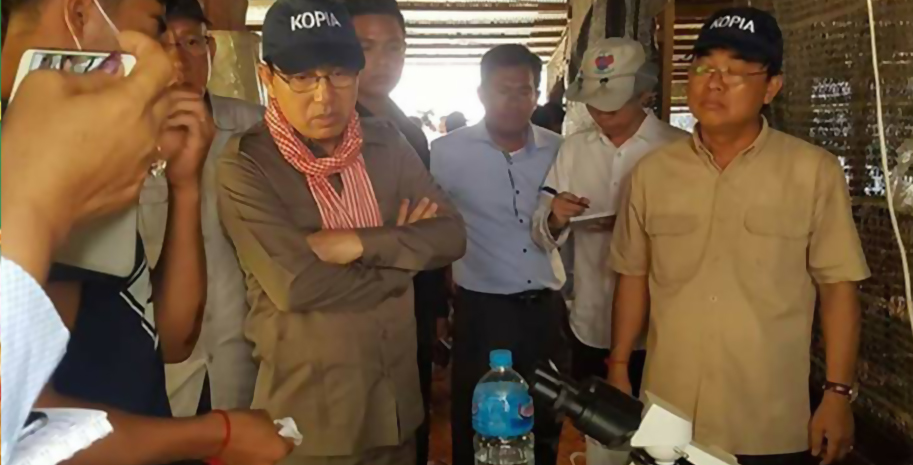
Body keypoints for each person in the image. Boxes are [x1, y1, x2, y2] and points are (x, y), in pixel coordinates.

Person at [1, 0, 292, 463]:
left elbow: (171, 339)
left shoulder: (88, 146)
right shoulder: (35, 155)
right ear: (81, 15)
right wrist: (217, 434)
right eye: (157, 30)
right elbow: (25, 427)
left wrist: (185, 184)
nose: (171, 61)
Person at [608, 8, 869, 465]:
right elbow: (633, 275)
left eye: (735, 71)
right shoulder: (652, 174)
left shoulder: (813, 172)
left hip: (767, 421)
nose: (714, 83)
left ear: (771, 87)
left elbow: (838, 289)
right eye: (704, 67)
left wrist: (837, 393)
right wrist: (617, 367)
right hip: (666, 415)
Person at [217, 0, 466, 463]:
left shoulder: (386, 142)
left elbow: (451, 235)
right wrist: (403, 262)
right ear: (267, 77)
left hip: (396, 406)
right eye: (302, 77)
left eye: (339, 75)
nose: (323, 97)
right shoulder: (247, 164)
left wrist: (358, 243)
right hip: (312, 420)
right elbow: (297, 285)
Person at [430, 44, 568, 465]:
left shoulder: (560, 149)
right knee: (477, 417)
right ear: (481, 93)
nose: (513, 100)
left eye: (524, 90)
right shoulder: (446, 153)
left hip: (546, 310)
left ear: (537, 94)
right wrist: (439, 305)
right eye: (501, 90)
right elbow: (431, 230)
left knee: (545, 414)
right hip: (482, 311)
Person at [532, 38, 688, 386]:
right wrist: (556, 216)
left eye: (613, 103)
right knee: (595, 415)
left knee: (656, 417)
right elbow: (541, 229)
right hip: (591, 317)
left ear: (644, 94)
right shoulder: (574, 150)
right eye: (594, 103)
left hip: (661, 323)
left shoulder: (679, 149)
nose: (601, 113)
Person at [139, 0, 263, 418]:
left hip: (250, 366)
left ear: (210, 50)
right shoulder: (119, 142)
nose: (178, 61)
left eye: (192, 43)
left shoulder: (257, 130)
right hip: (160, 378)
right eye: (163, 44)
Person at [343, 1, 451, 464]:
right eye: (366, 47)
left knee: (411, 416)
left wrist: (437, 305)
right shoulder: (325, 127)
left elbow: (433, 226)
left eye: (394, 48)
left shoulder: (410, 131)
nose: (383, 61)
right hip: (348, 301)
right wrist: (397, 236)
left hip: (413, 297)